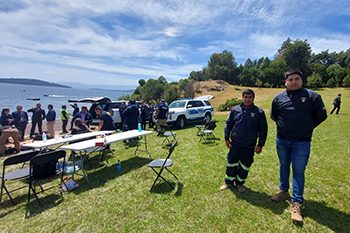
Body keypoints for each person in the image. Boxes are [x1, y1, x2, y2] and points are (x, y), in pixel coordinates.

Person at [270, 69, 327, 223]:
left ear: (302, 80)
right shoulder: (278, 98)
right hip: (282, 140)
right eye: (290, 79)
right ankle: (283, 192)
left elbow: (321, 115)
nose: (293, 82)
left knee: (298, 171)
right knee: (283, 165)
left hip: (302, 141)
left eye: (297, 79)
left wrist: (306, 127)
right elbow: (274, 115)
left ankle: (296, 203)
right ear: (286, 82)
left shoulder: (312, 97)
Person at [220, 89, 268, 193]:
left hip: (249, 146)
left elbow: (263, 130)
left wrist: (260, 145)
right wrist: (226, 138)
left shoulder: (259, 112)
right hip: (235, 144)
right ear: (242, 98)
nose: (247, 99)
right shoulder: (235, 110)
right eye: (245, 97)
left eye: (250, 97)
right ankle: (228, 182)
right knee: (231, 163)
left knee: (245, 165)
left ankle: (240, 183)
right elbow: (228, 124)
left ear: (253, 98)